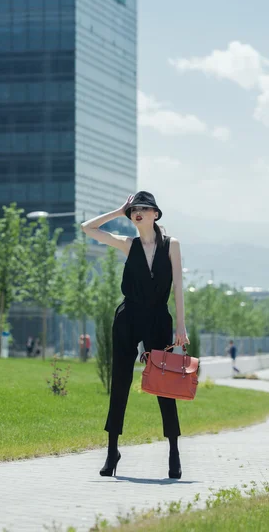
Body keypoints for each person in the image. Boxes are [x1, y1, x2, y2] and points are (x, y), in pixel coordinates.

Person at [81, 191, 189, 479]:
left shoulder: (171, 245)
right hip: (128, 318)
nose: (138, 212)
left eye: (144, 208)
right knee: (120, 383)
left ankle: (174, 450)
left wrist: (181, 325)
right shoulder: (128, 244)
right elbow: (88, 229)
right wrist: (118, 212)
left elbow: (178, 285)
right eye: (134, 209)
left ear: (155, 214)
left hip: (158, 320)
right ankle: (111, 450)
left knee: (164, 387)